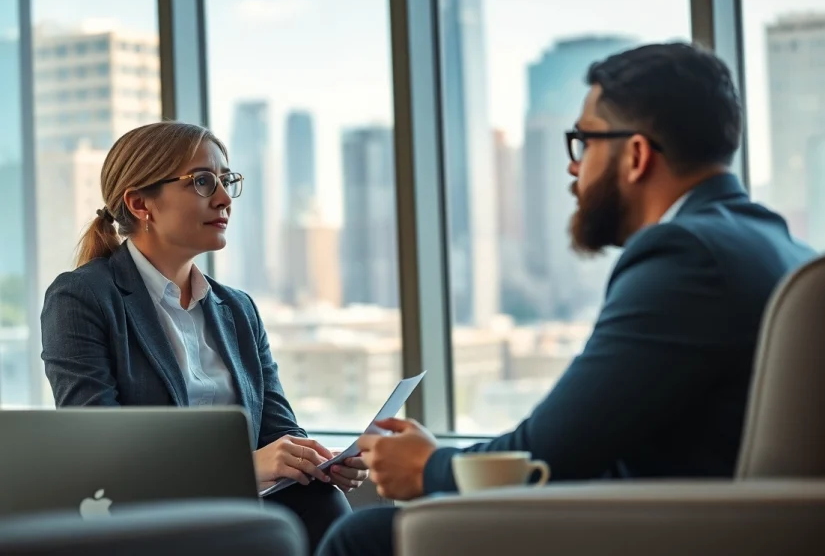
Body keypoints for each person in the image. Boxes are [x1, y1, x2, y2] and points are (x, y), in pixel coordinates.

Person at [316, 42, 816, 556]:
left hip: (662, 533)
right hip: (706, 521)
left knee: (364, 538)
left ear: (637, 155)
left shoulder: (685, 255)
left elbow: (553, 453)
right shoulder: (783, 248)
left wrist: (428, 468)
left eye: (584, 142)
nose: (574, 169)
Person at [40, 122, 367, 553]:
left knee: (324, 500)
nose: (224, 198)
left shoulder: (238, 309)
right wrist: (241, 468)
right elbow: (102, 458)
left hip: (240, 510)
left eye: (226, 180)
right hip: (144, 520)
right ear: (140, 204)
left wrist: (317, 462)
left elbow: (278, 429)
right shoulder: (82, 297)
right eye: (202, 181)